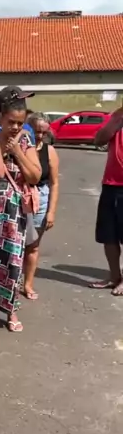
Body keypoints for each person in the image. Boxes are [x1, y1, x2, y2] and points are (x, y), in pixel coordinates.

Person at [0, 97, 42, 332]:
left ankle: (11, 310)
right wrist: (0, 147)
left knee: (13, 261)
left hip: (13, 212)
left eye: (20, 123)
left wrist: (17, 152)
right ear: (0, 117)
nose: (16, 127)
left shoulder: (26, 142)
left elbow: (35, 176)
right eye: (11, 122)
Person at [23, 113, 60, 300]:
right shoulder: (19, 147)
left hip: (41, 199)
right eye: (36, 131)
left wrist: (51, 212)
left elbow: (54, 183)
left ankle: (28, 283)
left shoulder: (49, 151)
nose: (39, 136)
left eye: (43, 132)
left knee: (33, 245)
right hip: (18, 195)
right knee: (14, 245)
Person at [88, 105, 123, 295]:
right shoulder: (116, 116)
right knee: (108, 236)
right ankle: (114, 276)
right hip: (110, 184)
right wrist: (117, 120)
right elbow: (99, 140)